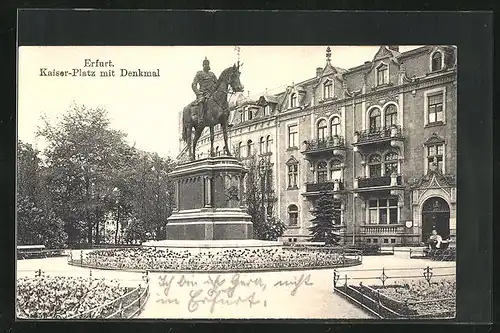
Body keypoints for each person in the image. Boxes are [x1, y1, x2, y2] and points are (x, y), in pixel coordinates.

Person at [191, 57, 218, 122]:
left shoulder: (212, 74)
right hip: (202, 93)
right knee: (201, 101)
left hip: (211, 93)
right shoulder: (199, 74)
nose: (207, 65)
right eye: (205, 64)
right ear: (203, 65)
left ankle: (224, 119)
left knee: (220, 100)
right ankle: (200, 118)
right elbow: (193, 84)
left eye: (208, 64)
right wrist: (198, 93)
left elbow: (217, 84)